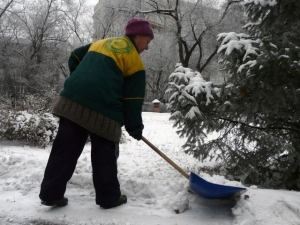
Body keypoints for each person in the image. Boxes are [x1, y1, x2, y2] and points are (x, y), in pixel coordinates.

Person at [39, 17, 154, 209]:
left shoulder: (101, 43)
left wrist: (82, 80)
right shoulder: (134, 61)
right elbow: (132, 101)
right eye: (147, 41)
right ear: (138, 35)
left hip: (72, 101)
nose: (147, 48)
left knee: (63, 151)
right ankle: (109, 198)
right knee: (105, 156)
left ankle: (51, 195)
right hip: (104, 110)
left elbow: (74, 56)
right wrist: (135, 128)